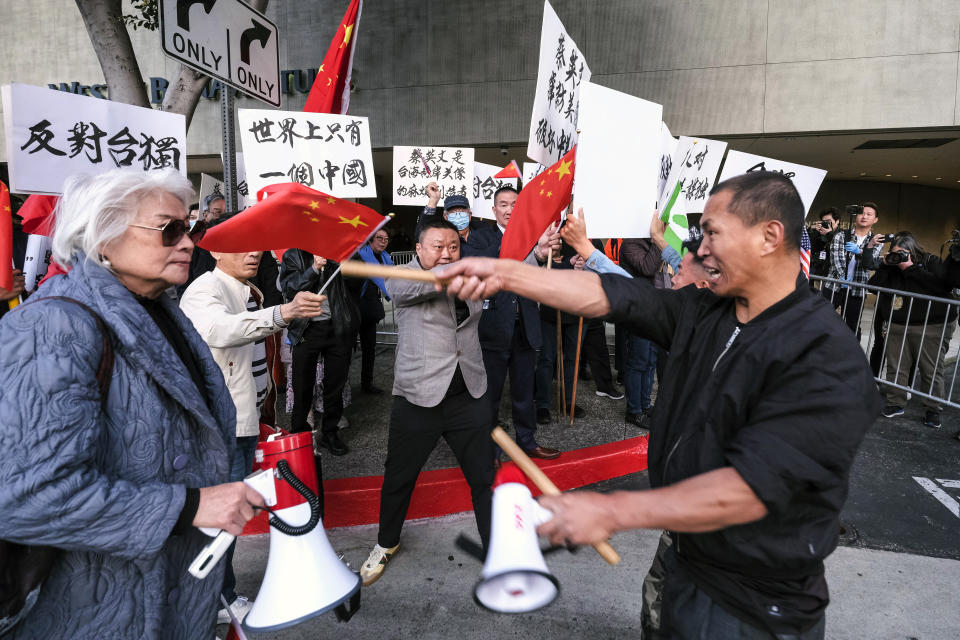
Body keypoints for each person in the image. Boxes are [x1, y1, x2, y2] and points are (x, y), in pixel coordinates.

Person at [438, 172, 881, 639]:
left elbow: (751, 489)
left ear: (769, 236)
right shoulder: (712, 309)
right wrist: (507, 274)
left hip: (754, 605)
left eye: (711, 232)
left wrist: (610, 512)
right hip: (687, 561)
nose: (699, 248)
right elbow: (618, 298)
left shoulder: (824, 356)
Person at [0, 169, 264, 639]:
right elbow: (27, 496)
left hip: (171, 592)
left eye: (191, 227)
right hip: (92, 608)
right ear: (103, 237)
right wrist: (189, 507)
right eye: (170, 229)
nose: (188, 243)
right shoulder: (52, 327)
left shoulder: (160, 309)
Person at [179, 250, 327, 623]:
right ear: (215, 250)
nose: (252, 255)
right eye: (241, 248)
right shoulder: (204, 290)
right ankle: (214, 601)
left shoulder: (252, 292)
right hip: (221, 427)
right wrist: (285, 313)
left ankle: (214, 597)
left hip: (248, 419)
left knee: (227, 516)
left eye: (257, 248)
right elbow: (223, 330)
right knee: (219, 518)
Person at [359, 218, 493, 586]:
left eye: (453, 246)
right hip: (419, 396)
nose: (447, 253)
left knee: (484, 477)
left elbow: (506, 273)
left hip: (469, 392)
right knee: (399, 478)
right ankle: (386, 543)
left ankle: (497, 551)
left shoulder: (470, 274)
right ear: (419, 248)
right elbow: (403, 291)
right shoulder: (403, 274)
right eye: (437, 246)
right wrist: (451, 275)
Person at [470, 185, 562, 459]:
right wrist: (529, 250)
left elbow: (540, 275)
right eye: (504, 204)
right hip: (494, 328)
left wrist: (543, 254)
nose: (509, 209)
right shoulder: (480, 238)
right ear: (494, 209)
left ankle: (527, 440)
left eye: (514, 204)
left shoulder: (534, 236)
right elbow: (490, 266)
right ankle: (489, 449)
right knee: (491, 395)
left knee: (525, 390)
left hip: (526, 326)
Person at [867, 232, 960, 429]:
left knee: (931, 369)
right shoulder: (891, 267)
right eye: (894, 253)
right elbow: (874, 287)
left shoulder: (930, 262)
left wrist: (910, 269)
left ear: (912, 252)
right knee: (896, 365)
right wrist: (885, 265)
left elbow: (941, 287)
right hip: (899, 323)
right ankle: (895, 402)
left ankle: (933, 409)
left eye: (901, 253)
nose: (897, 256)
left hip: (932, 325)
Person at [279, 249, 359, 456]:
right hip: (306, 328)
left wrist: (343, 262)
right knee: (302, 385)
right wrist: (314, 269)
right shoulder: (293, 255)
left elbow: (355, 281)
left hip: (338, 327)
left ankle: (330, 433)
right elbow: (290, 288)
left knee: (335, 385)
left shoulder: (338, 253)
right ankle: (300, 436)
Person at [619, 237, 662, 429]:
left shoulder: (652, 242)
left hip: (654, 308)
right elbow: (648, 268)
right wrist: (658, 242)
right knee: (638, 361)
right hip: (638, 309)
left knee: (651, 360)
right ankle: (634, 411)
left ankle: (645, 405)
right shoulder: (630, 243)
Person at [824, 203, 883, 334]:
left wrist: (859, 251)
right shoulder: (841, 236)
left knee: (853, 326)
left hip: (857, 289)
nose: (864, 216)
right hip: (834, 286)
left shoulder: (876, 241)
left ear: (875, 219)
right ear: (856, 216)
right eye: (862, 213)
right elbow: (836, 260)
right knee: (821, 320)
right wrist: (843, 278)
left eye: (869, 214)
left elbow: (870, 262)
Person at [355, 228, 394, 394]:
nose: (383, 241)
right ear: (370, 240)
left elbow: (393, 277)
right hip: (354, 306)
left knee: (369, 348)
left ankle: (367, 383)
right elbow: (382, 279)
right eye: (379, 238)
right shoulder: (361, 254)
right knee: (347, 350)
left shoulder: (386, 257)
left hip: (370, 308)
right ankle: (343, 388)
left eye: (386, 238)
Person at [808, 207, 839, 278]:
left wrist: (829, 234)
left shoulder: (841, 234)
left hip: (832, 273)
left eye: (828, 221)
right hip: (817, 269)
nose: (826, 224)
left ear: (837, 221)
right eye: (823, 221)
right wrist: (815, 233)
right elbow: (812, 248)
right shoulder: (819, 233)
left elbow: (837, 249)